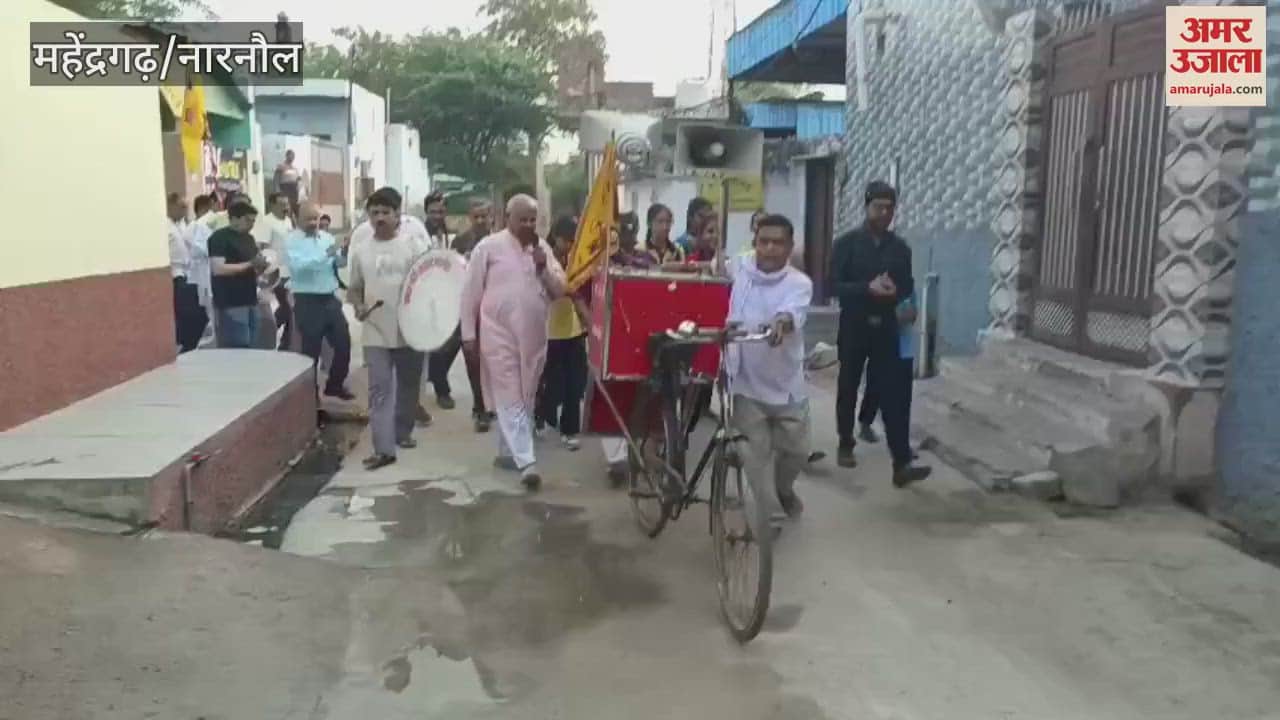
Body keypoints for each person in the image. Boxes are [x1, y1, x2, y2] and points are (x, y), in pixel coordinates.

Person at [460, 194, 567, 490]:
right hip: (497, 334)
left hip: (533, 337)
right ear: (508, 218)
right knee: (508, 393)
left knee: (526, 395)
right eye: (523, 219)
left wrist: (543, 267)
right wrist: (468, 334)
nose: (528, 225)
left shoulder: (542, 248)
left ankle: (509, 452)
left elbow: (560, 290)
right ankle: (527, 461)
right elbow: (469, 293)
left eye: (533, 220)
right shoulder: (488, 247)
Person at [829, 181, 930, 487]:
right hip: (855, 324)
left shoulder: (900, 248)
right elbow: (832, 286)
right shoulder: (846, 244)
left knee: (894, 394)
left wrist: (902, 298)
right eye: (879, 206)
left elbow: (908, 285)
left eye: (890, 207)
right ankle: (845, 441)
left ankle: (901, 462)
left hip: (889, 327)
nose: (884, 213)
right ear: (867, 206)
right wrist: (866, 288)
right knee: (848, 383)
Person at [726, 214, 813, 521]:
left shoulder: (799, 283)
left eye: (778, 242)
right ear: (754, 244)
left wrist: (781, 322)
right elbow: (706, 271)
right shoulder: (739, 267)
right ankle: (770, 515)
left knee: (797, 453)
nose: (770, 248)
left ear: (790, 247)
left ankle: (784, 489)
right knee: (756, 457)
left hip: (787, 385)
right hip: (745, 384)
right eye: (764, 241)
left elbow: (792, 311)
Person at [347, 188, 430, 470]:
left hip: (410, 329)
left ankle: (402, 432)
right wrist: (358, 306)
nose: (380, 218)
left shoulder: (414, 247)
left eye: (386, 213)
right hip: (376, 332)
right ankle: (383, 448)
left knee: (408, 385)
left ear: (398, 216)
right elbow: (354, 289)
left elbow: (428, 284)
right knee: (379, 390)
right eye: (375, 213)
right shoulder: (360, 250)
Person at [427, 196, 493, 428]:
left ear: (491, 217)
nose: (481, 220)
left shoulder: (500, 242)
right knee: (454, 352)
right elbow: (451, 273)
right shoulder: (461, 242)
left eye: (484, 216)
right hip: (463, 307)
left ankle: (484, 406)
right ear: (469, 218)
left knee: (487, 361)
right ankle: (443, 387)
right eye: (476, 216)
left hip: (491, 310)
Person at [284, 202, 355, 402]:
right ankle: (309, 394)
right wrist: (327, 254)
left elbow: (338, 264)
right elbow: (299, 268)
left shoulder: (327, 238)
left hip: (329, 298)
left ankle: (335, 385)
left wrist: (344, 252)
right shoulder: (291, 241)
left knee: (343, 343)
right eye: (308, 218)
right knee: (311, 351)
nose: (313, 223)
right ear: (297, 218)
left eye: (316, 218)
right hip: (307, 300)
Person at [537, 216, 589, 451]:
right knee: (549, 383)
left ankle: (570, 430)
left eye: (573, 240)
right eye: (566, 240)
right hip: (548, 330)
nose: (570, 245)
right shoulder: (543, 258)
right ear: (556, 237)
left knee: (575, 383)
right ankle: (541, 418)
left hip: (573, 329)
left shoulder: (578, 259)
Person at [208, 201, 268, 348]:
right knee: (237, 346)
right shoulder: (219, 237)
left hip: (250, 298)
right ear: (234, 218)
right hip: (230, 301)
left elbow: (254, 264)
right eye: (247, 220)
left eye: (253, 221)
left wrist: (261, 267)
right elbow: (218, 269)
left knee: (253, 343)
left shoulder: (249, 239)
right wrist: (250, 264)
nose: (251, 225)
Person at [167, 193, 208, 353]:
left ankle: (188, 346)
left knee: (199, 313)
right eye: (182, 207)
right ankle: (184, 346)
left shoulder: (185, 225)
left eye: (186, 208)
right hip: (175, 274)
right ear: (171, 206)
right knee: (190, 314)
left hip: (191, 273)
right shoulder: (166, 226)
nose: (185, 211)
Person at [256, 192, 296, 351]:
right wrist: (264, 274)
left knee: (292, 309)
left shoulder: (287, 220)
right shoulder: (266, 222)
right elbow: (261, 247)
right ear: (272, 205)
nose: (285, 207)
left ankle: (286, 343)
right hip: (275, 272)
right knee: (287, 307)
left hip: (289, 270)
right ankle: (268, 333)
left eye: (286, 204)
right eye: (281, 204)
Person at [185, 194, 216, 335]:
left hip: (205, 272)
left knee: (210, 307)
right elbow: (197, 250)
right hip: (200, 272)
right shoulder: (198, 225)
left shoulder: (200, 224)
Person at [274, 149, 302, 217]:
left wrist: (299, 182)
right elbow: (276, 179)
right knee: (287, 208)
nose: (292, 158)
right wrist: (277, 191)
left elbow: (298, 179)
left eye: (293, 156)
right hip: (285, 189)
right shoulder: (281, 166)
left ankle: (296, 223)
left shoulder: (295, 168)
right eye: (291, 156)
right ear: (286, 156)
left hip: (294, 191)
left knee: (296, 208)